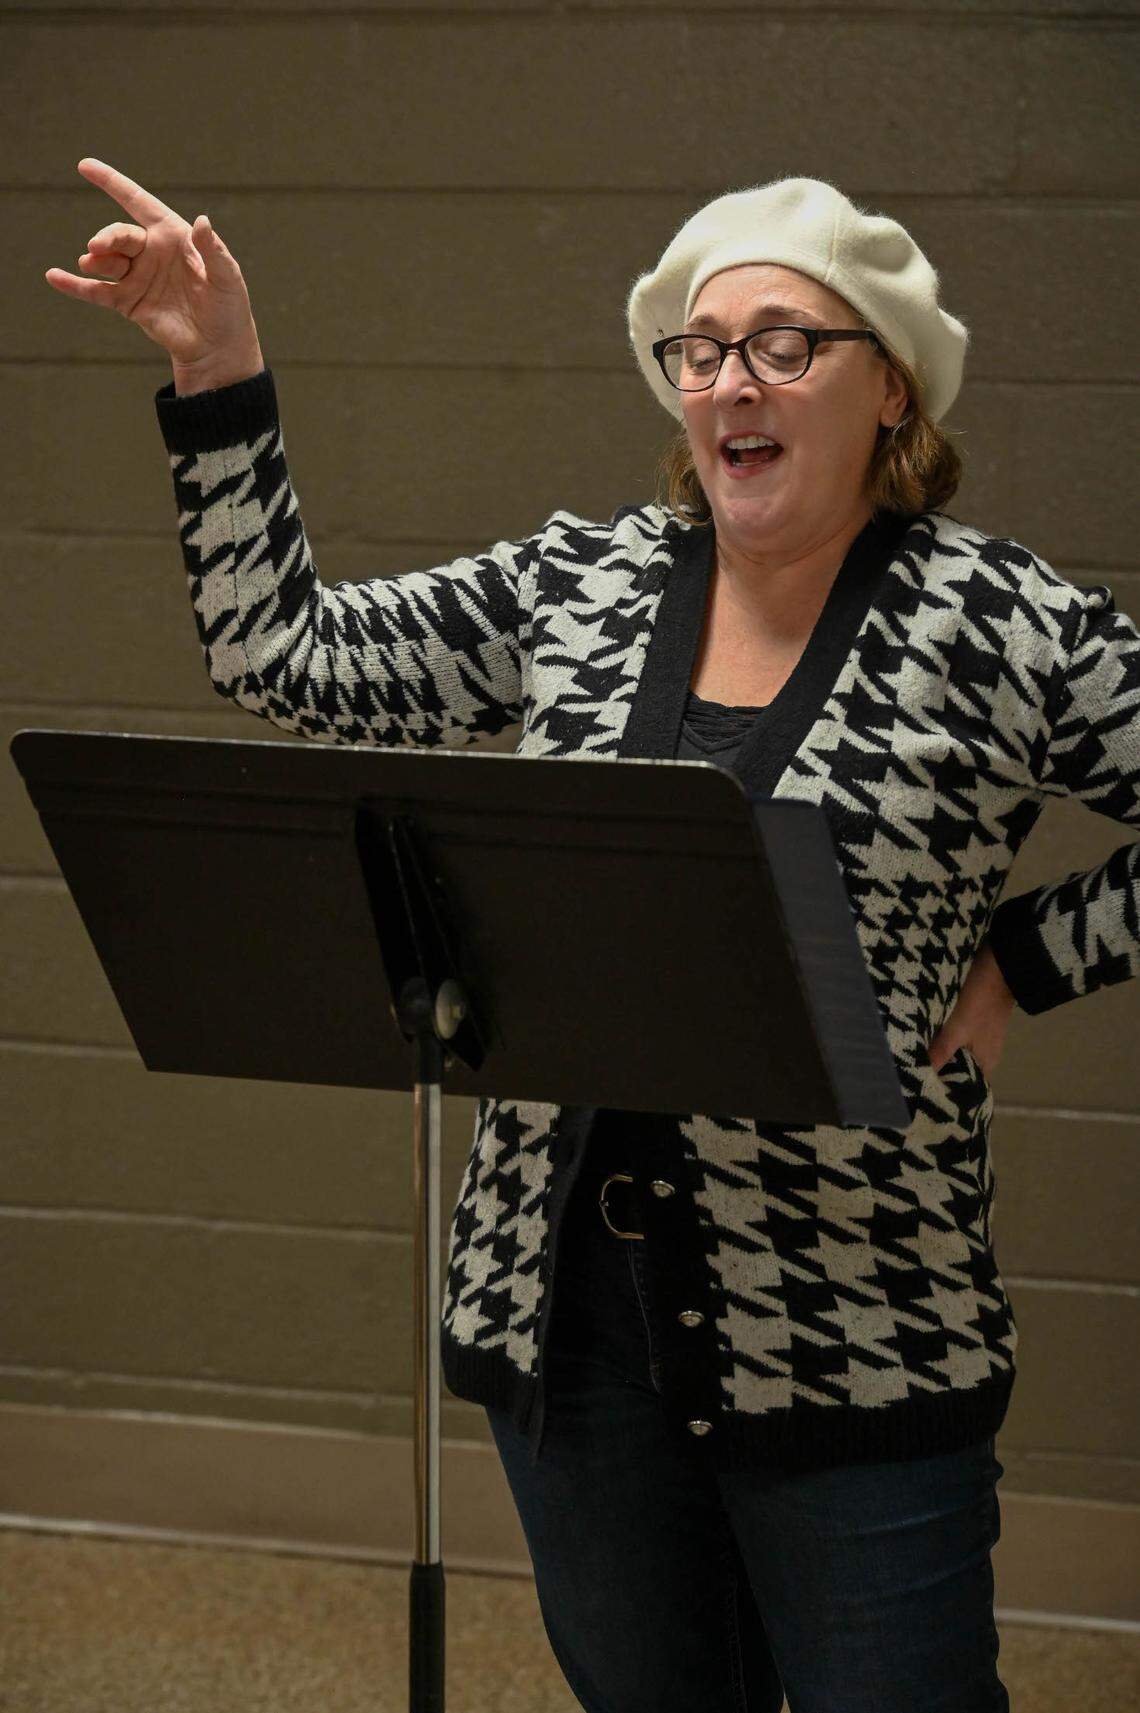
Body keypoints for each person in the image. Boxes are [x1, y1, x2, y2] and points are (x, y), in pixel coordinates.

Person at [47, 163, 1139, 1713]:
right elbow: (278, 652)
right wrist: (216, 370)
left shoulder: (1004, 627)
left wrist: (1034, 957)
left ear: (890, 386)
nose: (729, 383)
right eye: (701, 351)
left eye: (784, 345)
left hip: (857, 1332)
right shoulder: (585, 583)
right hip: (569, 1328)